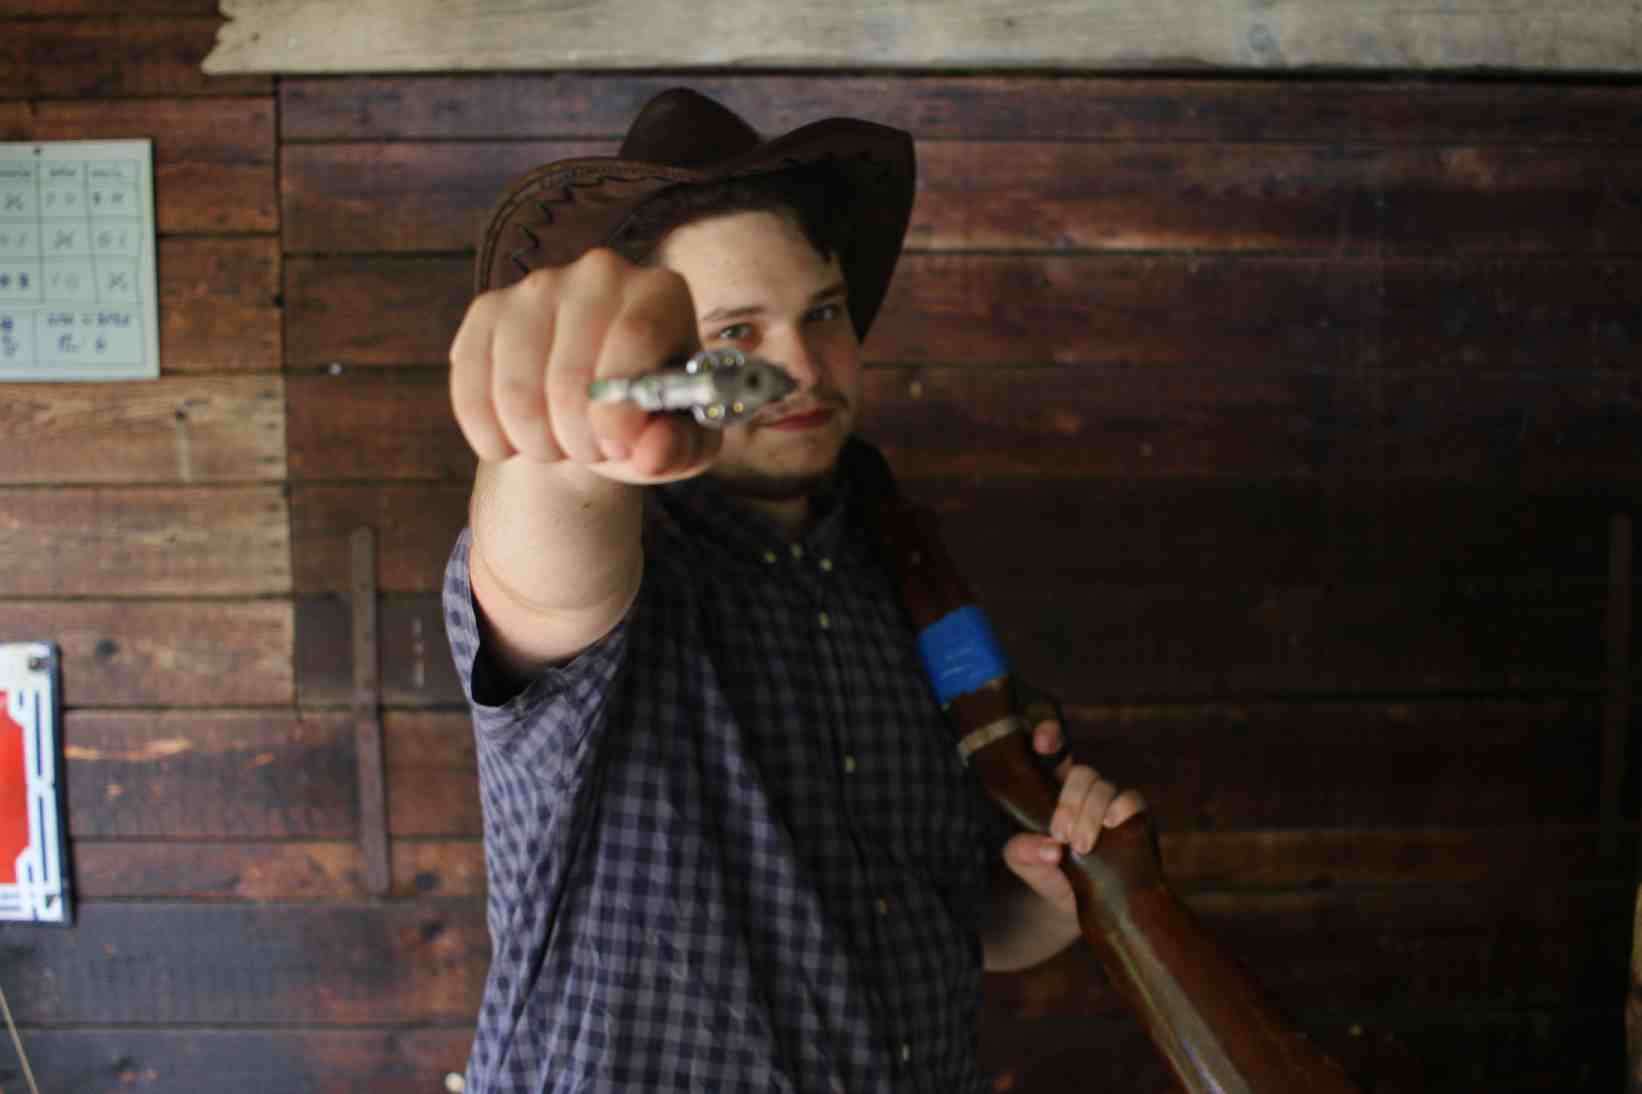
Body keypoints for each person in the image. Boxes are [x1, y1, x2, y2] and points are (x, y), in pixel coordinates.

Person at [443, 88, 1145, 1094]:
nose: (800, 369)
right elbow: (544, 541)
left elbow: (962, 925)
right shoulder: (613, 559)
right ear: (660, 357)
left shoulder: (904, 568)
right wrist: (570, 418)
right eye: (735, 332)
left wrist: (1055, 891)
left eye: (821, 312)